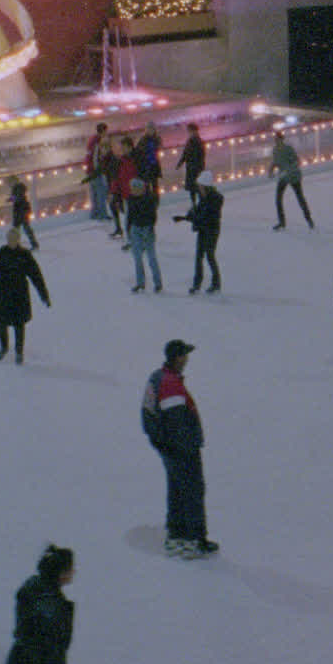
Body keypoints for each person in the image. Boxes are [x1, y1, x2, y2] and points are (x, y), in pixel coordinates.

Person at [142, 340, 216, 558]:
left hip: (169, 449)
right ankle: (193, 541)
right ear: (178, 357)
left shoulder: (158, 377)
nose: (188, 359)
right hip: (180, 450)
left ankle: (176, 536)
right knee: (191, 491)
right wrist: (187, 448)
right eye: (185, 354)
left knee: (177, 491)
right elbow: (177, 423)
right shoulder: (171, 384)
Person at [0, 228, 50, 362]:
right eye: (10, 239)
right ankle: (4, 347)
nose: (12, 242)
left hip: (19, 293)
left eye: (14, 239)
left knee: (19, 324)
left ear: (19, 240)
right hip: (3, 292)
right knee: (1, 322)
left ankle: (19, 351)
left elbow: (36, 276)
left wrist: (44, 295)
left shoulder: (25, 255)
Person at [177, 169, 223, 293]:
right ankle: (197, 284)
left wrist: (192, 218)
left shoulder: (215, 199)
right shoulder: (203, 197)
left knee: (209, 255)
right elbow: (197, 211)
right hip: (203, 229)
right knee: (199, 257)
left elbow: (206, 216)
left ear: (206, 187)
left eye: (200, 186)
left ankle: (216, 283)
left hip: (211, 230)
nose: (199, 188)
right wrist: (185, 217)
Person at [123, 175, 162, 293]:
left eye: (135, 188)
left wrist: (148, 229)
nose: (132, 190)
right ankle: (140, 283)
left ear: (141, 188)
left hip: (147, 229)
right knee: (137, 258)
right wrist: (129, 231)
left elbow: (153, 217)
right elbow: (129, 216)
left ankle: (158, 283)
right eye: (131, 188)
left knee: (151, 258)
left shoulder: (149, 199)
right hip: (135, 229)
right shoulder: (130, 199)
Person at [270, 130, 314, 229]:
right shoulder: (275, 150)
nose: (277, 141)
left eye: (279, 139)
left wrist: (288, 170)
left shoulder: (288, 149)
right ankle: (282, 222)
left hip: (293, 177)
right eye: (276, 139)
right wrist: (271, 170)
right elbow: (275, 161)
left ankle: (309, 219)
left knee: (300, 198)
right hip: (284, 177)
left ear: (282, 139)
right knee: (278, 199)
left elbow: (296, 161)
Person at [83, 121, 111, 222]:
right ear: (103, 131)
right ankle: (102, 214)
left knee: (94, 193)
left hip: (89, 170)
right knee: (101, 192)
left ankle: (94, 213)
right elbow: (95, 157)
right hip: (95, 171)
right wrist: (97, 170)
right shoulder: (97, 141)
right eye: (106, 131)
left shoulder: (92, 140)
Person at [178, 121, 208, 201]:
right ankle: (195, 204)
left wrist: (199, 167)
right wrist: (180, 162)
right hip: (191, 167)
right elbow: (185, 153)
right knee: (193, 188)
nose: (189, 133)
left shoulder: (198, 141)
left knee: (197, 187)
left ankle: (201, 203)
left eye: (190, 131)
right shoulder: (190, 141)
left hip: (196, 168)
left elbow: (201, 155)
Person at [7, 179, 38, 249]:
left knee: (23, 229)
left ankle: (33, 244)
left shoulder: (17, 189)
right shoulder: (18, 189)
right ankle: (32, 244)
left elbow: (18, 198)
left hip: (21, 211)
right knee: (21, 230)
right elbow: (17, 198)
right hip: (21, 211)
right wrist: (11, 199)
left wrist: (12, 199)